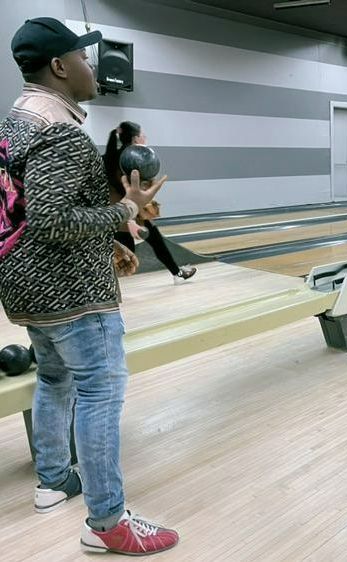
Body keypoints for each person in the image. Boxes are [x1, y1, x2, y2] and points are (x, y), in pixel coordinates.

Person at [0, 18, 179, 555]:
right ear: (59, 67)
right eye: (82, 56)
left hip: (27, 287)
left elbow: (33, 213)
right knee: (100, 392)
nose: (91, 66)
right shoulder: (60, 133)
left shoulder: (14, 122)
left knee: (55, 378)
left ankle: (54, 481)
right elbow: (54, 222)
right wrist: (127, 207)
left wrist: (112, 233)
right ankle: (107, 523)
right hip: (72, 294)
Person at [103, 121, 197, 283]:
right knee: (146, 245)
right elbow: (126, 190)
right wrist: (131, 219)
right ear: (135, 138)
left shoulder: (110, 156)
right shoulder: (131, 159)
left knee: (141, 246)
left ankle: (177, 273)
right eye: (141, 135)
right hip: (128, 214)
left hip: (116, 214)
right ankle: (177, 274)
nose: (144, 137)